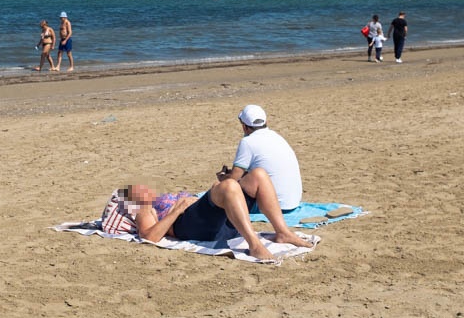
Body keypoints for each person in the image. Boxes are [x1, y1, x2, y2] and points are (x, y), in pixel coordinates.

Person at [100, 168, 314, 261]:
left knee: (258, 175)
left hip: (209, 220)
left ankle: (283, 232)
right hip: (189, 225)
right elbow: (149, 236)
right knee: (228, 186)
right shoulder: (142, 206)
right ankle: (254, 245)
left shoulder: (152, 198)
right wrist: (176, 210)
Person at [217, 105, 303, 212]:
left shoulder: (247, 142)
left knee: (223, 190)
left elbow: (233, 179)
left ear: (244, 127)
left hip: (273, 206)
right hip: (292, 202)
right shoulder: (276, 137)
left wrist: (223, 178)